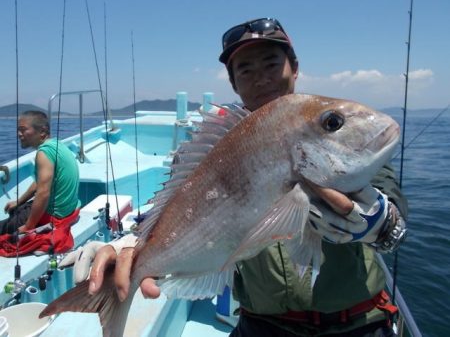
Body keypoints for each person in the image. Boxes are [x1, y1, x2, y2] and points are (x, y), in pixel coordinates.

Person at [67, 18, 407, 336]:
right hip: (262, 324)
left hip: (359, 322)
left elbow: (393, 208)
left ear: (295, 67)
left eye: (271, 63)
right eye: (245, 69)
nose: (261, 78)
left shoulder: (353, 157)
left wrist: (385, 223)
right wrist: (130, 243)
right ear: (233, 83)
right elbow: (172, 207)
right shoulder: (200, 152)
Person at [0, 110, 80, 255]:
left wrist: (28, 226)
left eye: (23, 130)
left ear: (42, 131)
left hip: (54, 216)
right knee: (15, 210)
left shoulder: (43, 153)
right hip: (68, 210)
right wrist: (19, 201)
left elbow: (43, 193)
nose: (19, 134)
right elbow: (40, 182)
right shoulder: (57, 145)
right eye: (18, 130)